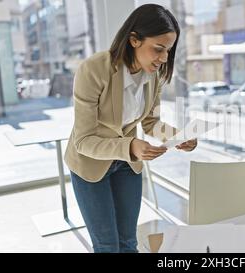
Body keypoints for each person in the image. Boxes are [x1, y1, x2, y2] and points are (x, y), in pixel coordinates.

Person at [64, 4, 197, 253]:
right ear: (134, 39)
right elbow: (83, 140)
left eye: (168, 50)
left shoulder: (154, 75)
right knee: (107, 245)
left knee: (128, 241)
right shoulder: (94, 69)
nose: (164, 58)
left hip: (127, 163)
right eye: (158, 49)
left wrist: (178, 137)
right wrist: (130, 146)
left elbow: (150, 122)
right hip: (90, 164)